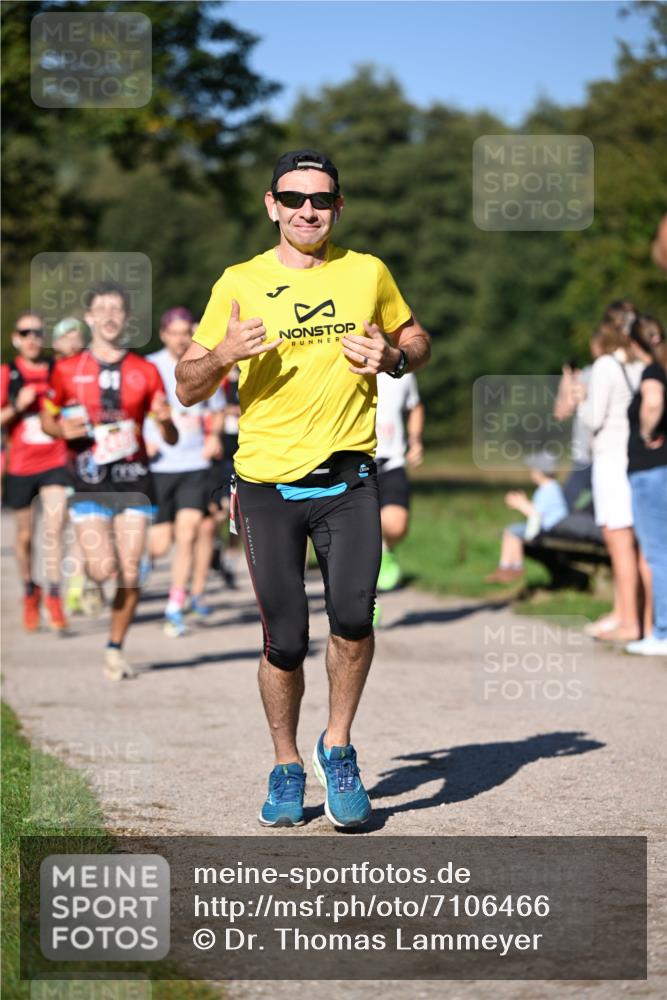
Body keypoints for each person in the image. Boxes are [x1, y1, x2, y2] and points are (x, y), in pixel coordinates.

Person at [175, 149, 431, 828]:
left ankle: (337, 746)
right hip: (264, 484)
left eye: (320, 199)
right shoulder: (238, 280)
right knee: (283, 640)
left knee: (353, 617)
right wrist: (223, 354)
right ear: (271, 205)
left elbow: (414, 336)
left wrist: (395, 357)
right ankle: (286, 763)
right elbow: (186, 382)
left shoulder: (366, 271)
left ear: (337, 207)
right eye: (293, 199)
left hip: (349, 479)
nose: (307, 210)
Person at [41, 280, 177, 680]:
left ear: (128, 318)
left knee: (132, 571)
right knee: (103, 570)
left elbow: (169, 435)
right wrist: (60, 430)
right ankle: (90, 581)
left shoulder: (145, 370)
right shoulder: (67, 369)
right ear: (89, 317)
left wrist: (166, 424)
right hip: (88, 481)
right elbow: (48, 418)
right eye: (101, 309)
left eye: (117, 309)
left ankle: (115, 648)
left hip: (134, 480)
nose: (110, 316)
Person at [144, 307, 225, 636]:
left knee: (189, 532)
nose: (181, 338)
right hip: (159, 464)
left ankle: (175, 605)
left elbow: (216, 409)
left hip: (194, 463)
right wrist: (143, 440)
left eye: (186, 332)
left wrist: (214, 437)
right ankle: (142, 558)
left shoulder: (203, 365)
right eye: (175, 333)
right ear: (164, 334)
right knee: (160, 545)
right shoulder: (150, 366)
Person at [0, 312, 71, 631]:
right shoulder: (8, 373)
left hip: (56, 461)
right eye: (25, 332)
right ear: (16, 338)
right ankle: (31, 589)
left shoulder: (58, 370)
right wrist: (17, 406)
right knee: (25, 535)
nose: (31, 338)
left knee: (54, 528)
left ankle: (55, 594)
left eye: (37, 332)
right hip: (20, 465)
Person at [575, 321, 644, 643]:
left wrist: (579, 396)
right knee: (635, 542)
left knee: (619, 542)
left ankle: (628, 621)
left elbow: (593, 417)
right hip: (633, 459)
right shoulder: (637, 365)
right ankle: (633, 616)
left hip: (611, 459)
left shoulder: (605, 366)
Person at [625, 315, 667, 656]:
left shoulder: (653, 372)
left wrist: (645, 432)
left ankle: (663, 631)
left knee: (658, 553)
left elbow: (653, 401)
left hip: (651, 471)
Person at [485, 451, 568, 584]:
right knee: (511, 531)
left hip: (548, 528)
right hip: (545, 526)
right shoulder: (548, 488)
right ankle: (506, 567)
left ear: (540, 472)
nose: (531, 474)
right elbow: (536, 510)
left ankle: (513, 567)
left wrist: (519, 504)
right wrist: (523, 502)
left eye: (533, 471)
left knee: (512, 532)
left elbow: (535, 514)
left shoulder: (549, 489)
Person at [374, 371, 424, 593]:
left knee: (396, 525)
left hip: (391, 461)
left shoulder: (401, 371)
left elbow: (415, 406)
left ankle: (384, 549)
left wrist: (415, 441)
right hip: (353, 463)